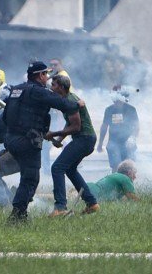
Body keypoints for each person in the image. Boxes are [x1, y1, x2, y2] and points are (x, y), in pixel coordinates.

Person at [3, 61, 82, 223]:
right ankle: (17, 216)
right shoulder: (38, 91)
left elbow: (5, 115)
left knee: (26, 177)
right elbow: (62, 103)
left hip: (11, 139)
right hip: (27, 141)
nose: (47, 77)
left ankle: (20, 210)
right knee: (31, 179)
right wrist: (77, 104)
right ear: (39, 75)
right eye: (46, 74)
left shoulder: (16, 89)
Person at [46, 75, 99, 217]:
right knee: (69, 169)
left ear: (62, 88)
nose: (52, 88)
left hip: (84, 139)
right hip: (85, 139)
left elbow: (76, 127)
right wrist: (59, 138)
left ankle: (60, 207)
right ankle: (92, 203)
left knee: (57, 167)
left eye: (54, 85)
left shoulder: (69, 100)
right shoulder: (67, 99)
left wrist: (53, 134)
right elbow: (70, 123)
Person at [97, 88, 139, 172]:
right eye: (115, 101)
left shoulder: (131, 109)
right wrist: (100, 143)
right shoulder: (109, 110)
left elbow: (137, 126)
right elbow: (104, 126)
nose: (116, 103)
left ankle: (128, 184)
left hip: (128, 142)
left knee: (129, 167)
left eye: (118, 101)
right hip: (114, 142)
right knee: (116, 166)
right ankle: (115, 184)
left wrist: (132, 138)